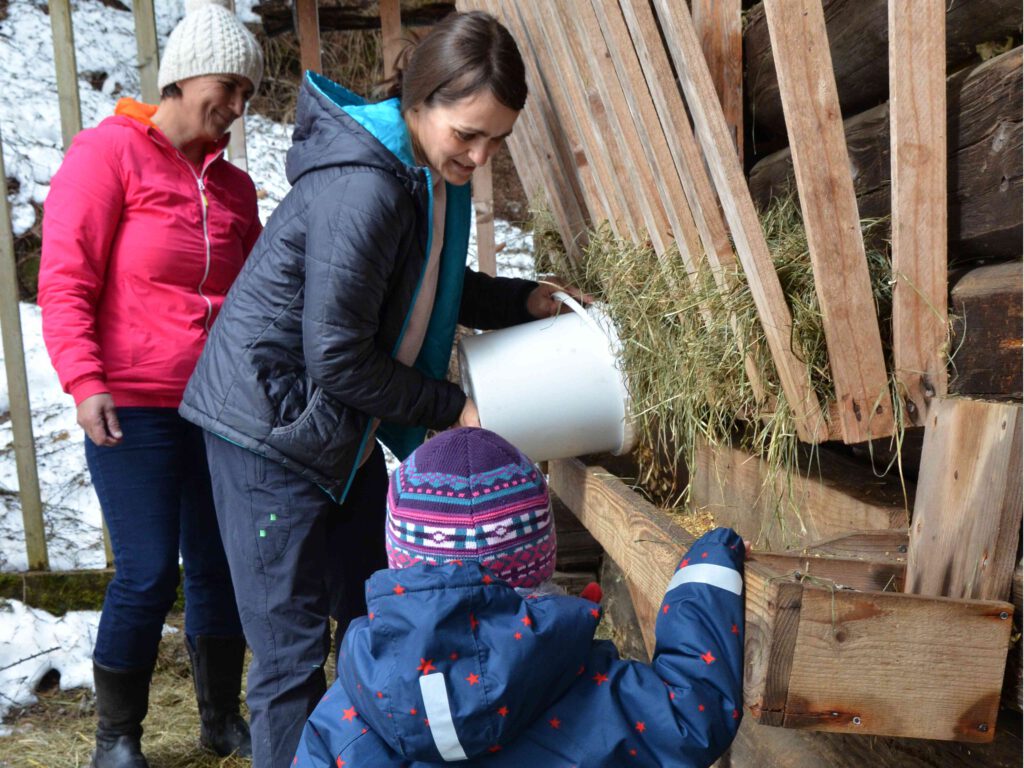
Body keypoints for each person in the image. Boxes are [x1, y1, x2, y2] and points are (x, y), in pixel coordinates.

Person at [178, 10, 582, 767]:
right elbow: (336, 355)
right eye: (469, 133)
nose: (481, 153)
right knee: (291, 656)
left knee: (369, 615)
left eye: (497, 140)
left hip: (332, 426)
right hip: (270, 430)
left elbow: (424, 287)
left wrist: (520, 300)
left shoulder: (419, 175)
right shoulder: (367, 188)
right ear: (421, 101)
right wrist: (453, 409)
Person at [37, 1, 263, 765]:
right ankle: (117, 737)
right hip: (132, 403)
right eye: (227, 86)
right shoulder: (106, 157)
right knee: (146, 569)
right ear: (180, 75)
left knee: (219, 561)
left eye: (246, 94)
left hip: (220, 406)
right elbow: (65, 280)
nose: (235, 105)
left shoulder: (233, 189)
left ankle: (220, 718)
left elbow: (260, 293)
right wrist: (84, 379)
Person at [292, 427, 746, 767]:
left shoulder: (347, 716)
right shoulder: (603, 696)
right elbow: (696, 709)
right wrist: (705, 570)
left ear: (399, 559)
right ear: (540, 558)